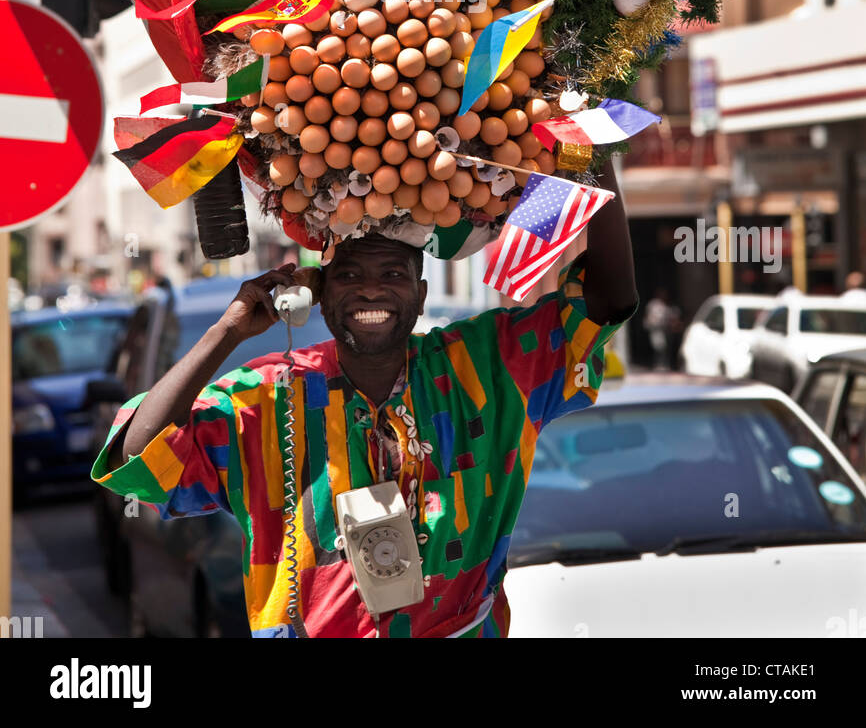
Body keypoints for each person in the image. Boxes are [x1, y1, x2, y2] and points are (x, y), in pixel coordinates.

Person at [92, 162, 637, 638]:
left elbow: (606, 303)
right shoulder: (260, 398)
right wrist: (227, 331)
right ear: (322, 298)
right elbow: (134, 464)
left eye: (393, 274)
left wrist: (593, 147)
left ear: (421, 296)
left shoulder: (488, 366)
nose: (371, 290)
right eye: (349, 275)